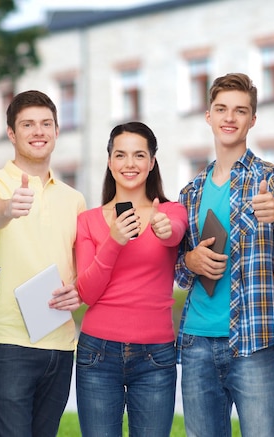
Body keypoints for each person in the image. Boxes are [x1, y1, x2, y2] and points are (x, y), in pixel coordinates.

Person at [174, 73, 274, 437]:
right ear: (208, 116)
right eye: (221, 109)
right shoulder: (190, 193)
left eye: (240, 110)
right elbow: (179, 272)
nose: (229, 117)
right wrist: (190, 261)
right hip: (197, 341)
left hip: (255, 339)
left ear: (252, 119)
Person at [0, 90, 86, 437]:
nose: (38, 131)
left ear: (57, 130)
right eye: (28, 124)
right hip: (9, 344)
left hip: (61, 344)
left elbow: (81, 268)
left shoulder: (73, 198)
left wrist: (78, 291)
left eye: (46, 123)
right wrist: (8, 207)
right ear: (11, 133)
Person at [74, 122, 188, 436]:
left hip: (156, 355)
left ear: (152, 163)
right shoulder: (88, 221)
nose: (130, 164)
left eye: (139, 155)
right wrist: (114, 240)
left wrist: (164, 229)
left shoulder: (171, 211)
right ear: (110, 162)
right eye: (121, 155)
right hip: (97, 354)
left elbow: (174, 232)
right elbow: (87, 293)